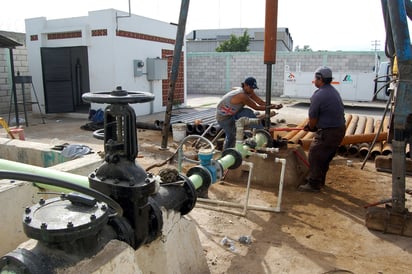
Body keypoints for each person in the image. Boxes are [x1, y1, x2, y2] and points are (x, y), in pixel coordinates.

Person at [298, 67, 346, 192]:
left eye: (315, 79)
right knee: (325, 157)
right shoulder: (333, 91)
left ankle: (313, 184)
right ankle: (320, 181)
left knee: (315, 154)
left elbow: (313, 118)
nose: (314, 81)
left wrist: (311, 127)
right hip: (339, 130)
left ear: (320, 79)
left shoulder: (318, 95)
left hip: (329, 132)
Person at [216, 77, 283, 149]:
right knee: (232, 135)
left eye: (253, 88)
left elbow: (260, 102)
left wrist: (274, 105)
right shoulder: (242, 96)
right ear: (245, 85)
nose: (252, 90)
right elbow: (256, 107)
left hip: (235, 112)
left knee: (248, 112)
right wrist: (272, 107)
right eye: (250, 88)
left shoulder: (248, 91)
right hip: (224, 117)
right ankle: (227, 152)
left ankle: (260, 133)